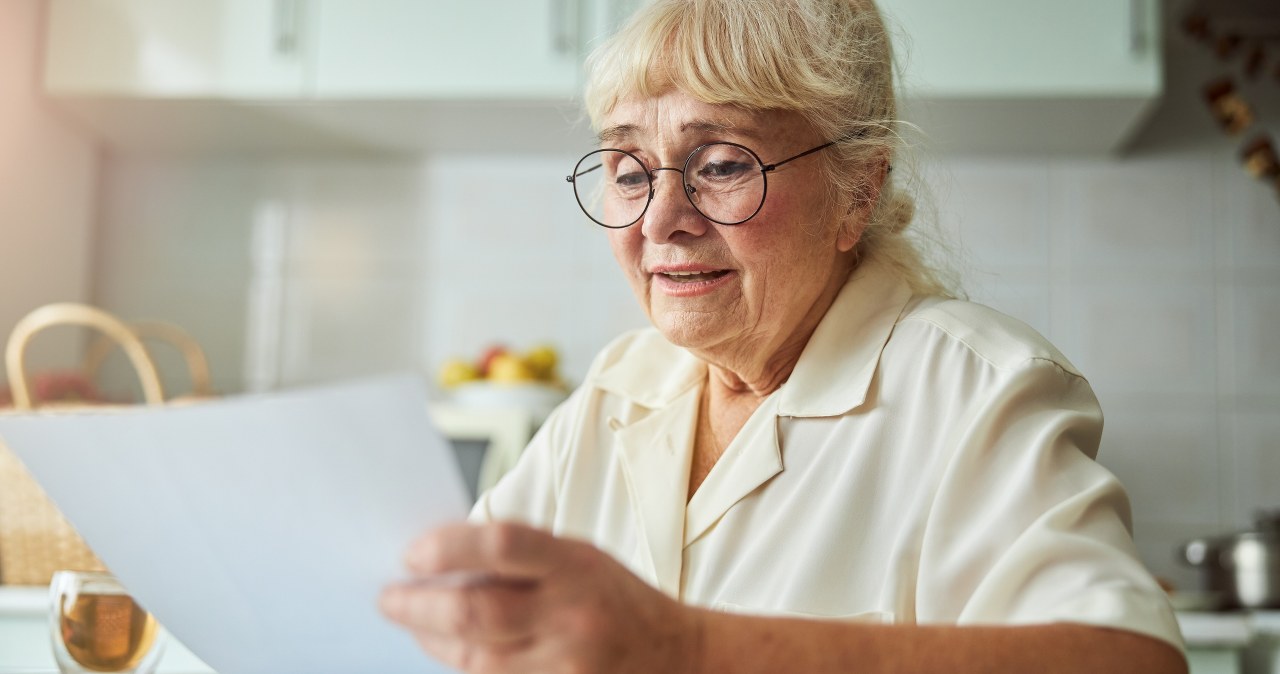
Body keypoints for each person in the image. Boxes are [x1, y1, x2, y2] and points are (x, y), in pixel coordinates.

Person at [379, 0, 1188, 671]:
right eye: (629, 170)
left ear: (857, 190)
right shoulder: (617, 391)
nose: (661, 220)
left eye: (722, 163)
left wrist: (682, 648)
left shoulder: (975, 386)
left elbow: (1130, 660)